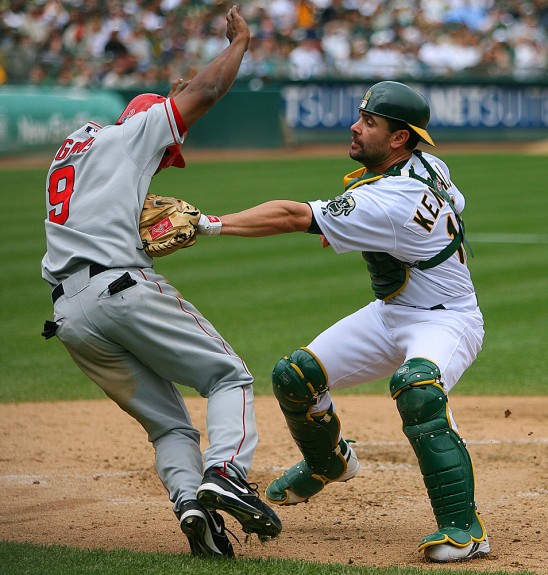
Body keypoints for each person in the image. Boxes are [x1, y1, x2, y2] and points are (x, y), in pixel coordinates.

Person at [195, 80, 490, 563]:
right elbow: (455, 204)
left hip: (447, 322)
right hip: (391, 313)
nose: (355, 126)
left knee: (417, 388)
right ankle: (328, 462)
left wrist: (208, 223)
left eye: (368, 122)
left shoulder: (391, 200)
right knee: (294, 377)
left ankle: (465, 529)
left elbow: (291, 215)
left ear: (398, 138)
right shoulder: (427, 164)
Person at [41, 6, 281, 559]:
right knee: (228, 378)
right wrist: (239, 44)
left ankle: (193, 511)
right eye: (169, 152)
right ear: (152, 120)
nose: (169, 161)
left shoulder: (75, 148)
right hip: (120, 289)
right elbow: (207, 89)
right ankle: (227, 474)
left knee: (169, 425)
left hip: (70, 317)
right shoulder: (139, 130)